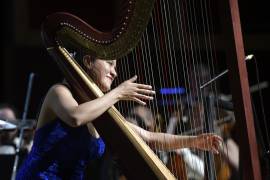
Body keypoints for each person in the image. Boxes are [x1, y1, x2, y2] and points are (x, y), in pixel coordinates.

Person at [16, 53, 222, 179]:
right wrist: (119, 93)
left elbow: (150, 137)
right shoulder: (59, 92)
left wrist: (195, 141)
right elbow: (75, 117)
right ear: (88, 61)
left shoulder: (104, 112)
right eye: (110, 63)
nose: (115, 72)